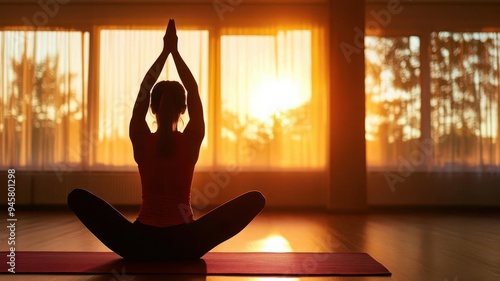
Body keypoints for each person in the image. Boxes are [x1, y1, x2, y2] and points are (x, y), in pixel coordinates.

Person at [67, 19, 265, 261]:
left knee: (76, 196)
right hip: (186, 245)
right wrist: (175, 52)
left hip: (139, 245)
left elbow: (143, 90)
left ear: (152, 108)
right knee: (256, 198)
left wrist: (164, 53)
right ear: (183, 109)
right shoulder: (191, 140)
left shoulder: (141, 139)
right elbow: (194, 91)